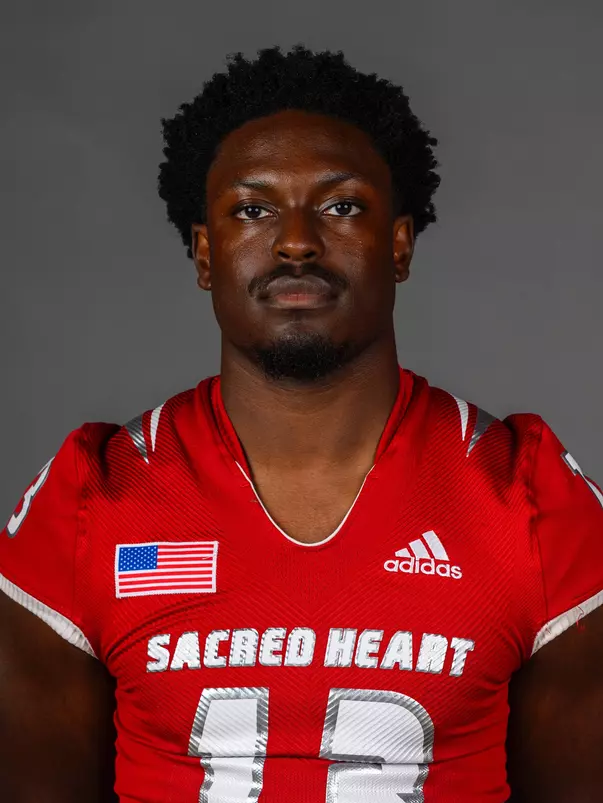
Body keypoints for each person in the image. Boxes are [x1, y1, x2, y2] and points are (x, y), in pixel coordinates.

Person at [1, 44, 602, 803]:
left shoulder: (527, 495)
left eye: (341, 205)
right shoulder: (91, 496)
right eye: (252, 209)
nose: (294, 241)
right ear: (204, 254)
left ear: (399, 243)